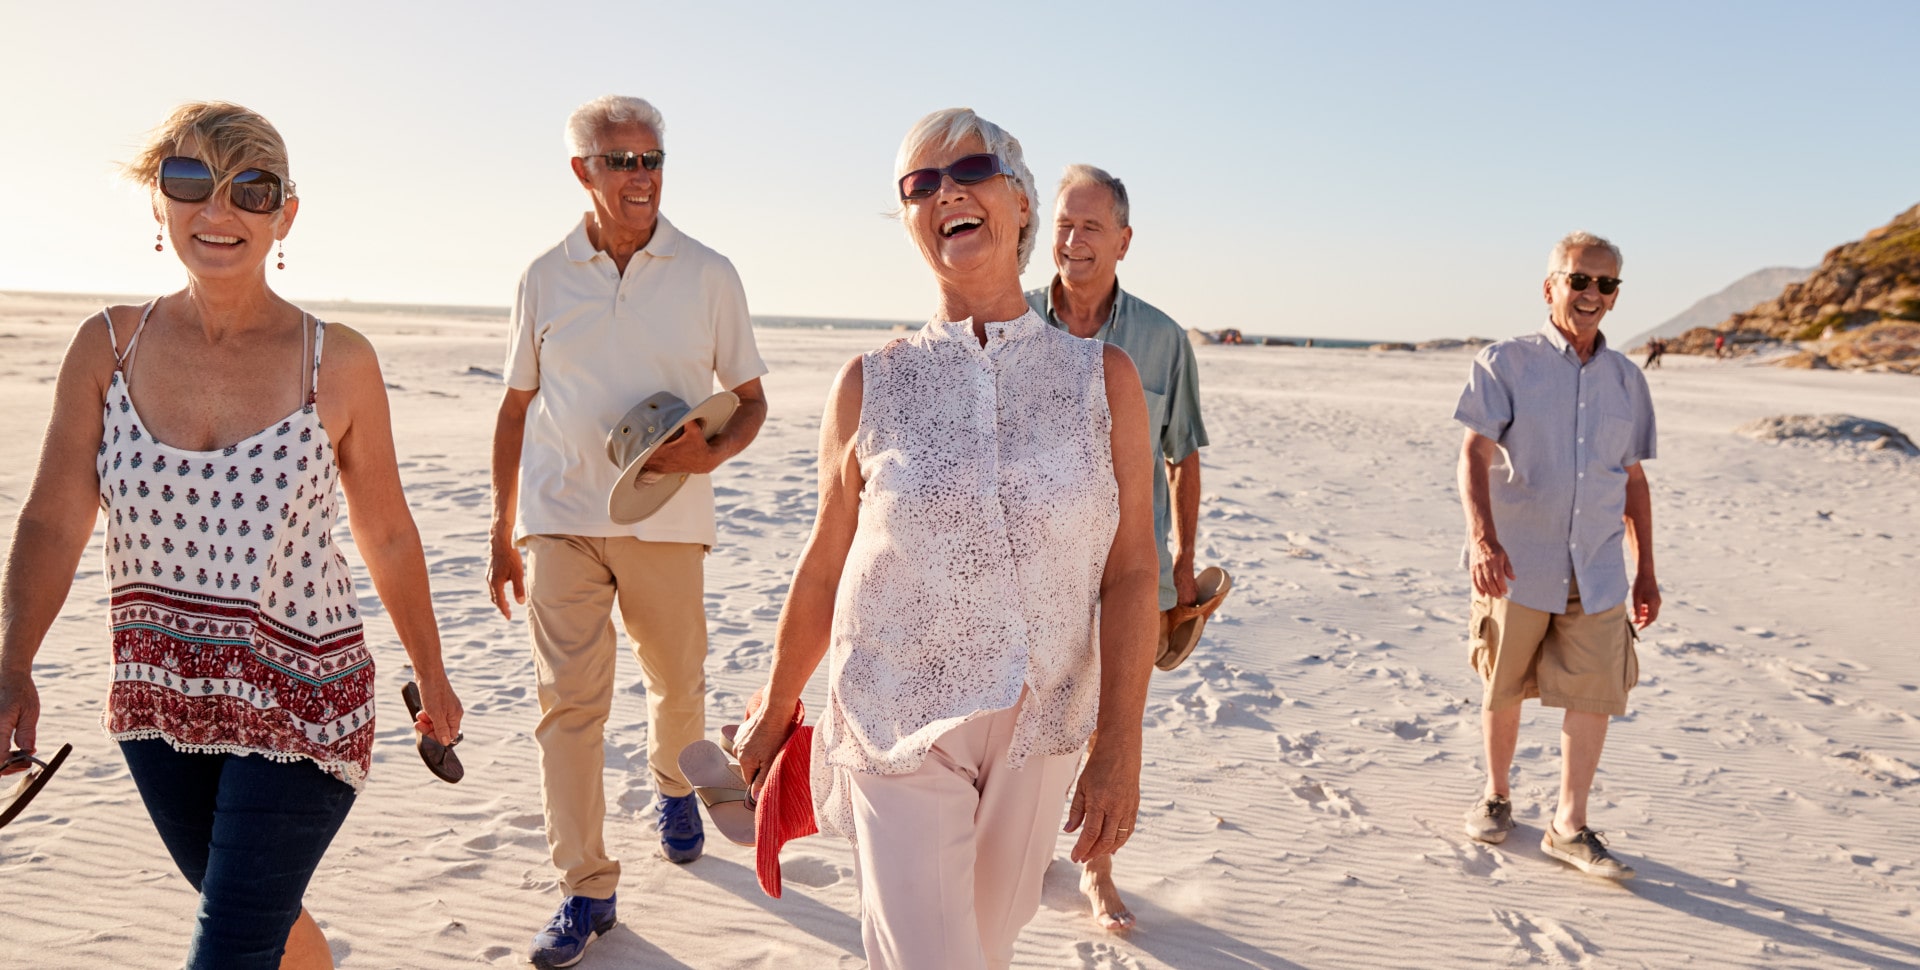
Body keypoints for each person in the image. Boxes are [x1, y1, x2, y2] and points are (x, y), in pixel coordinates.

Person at [0, 101, 464, 969]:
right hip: (157, 702)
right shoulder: (108, 347)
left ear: (286, 215)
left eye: (251, 191)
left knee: (230, 947)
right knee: (263, 923)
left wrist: (431, 671)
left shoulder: (339, 361)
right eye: (190, 183)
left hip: (302, 698)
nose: (217, 213)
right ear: (157, 202)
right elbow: (54, 515)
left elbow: (389, 534)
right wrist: (12, 662)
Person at [732, 108, 1159, 970]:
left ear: (1021, 201)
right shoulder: (869, 383)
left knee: (986, 950)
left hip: (1044, 721)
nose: (946, 194)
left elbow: (1132, 571)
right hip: (894, 714)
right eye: (919, 185)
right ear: (908, 221)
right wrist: (780, 701)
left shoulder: (1103, 381)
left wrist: (1120, 743)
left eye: (968, 171)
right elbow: (826, 561)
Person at [486, 94, 768, 969]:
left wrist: (706, 459)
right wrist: (502, 529)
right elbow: (514, 407)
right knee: (568, 707)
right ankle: (586, 889)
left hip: (668, 520)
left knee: (677, 681)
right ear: (583, 171)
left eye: (652, 160)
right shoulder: (544, 274)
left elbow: (750, 405)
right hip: (560, 520)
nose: (641, 177)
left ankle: (674, 784)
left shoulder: (709, 271)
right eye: (622, 161)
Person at [1025, 164, 1207, 931]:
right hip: (1028, 570)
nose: (1073, 241)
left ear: (1124, 241)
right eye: (1064, 225)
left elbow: (1184, 454)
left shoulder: (1162, 341)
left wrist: (1184, 563)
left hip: (1127, 577)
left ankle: (1097, 870)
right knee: (1024, 718)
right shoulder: (1012, 321)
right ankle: (1020, 849)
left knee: (1112, 726)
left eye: (1091, 227)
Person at [1454, 230, 1659, 880]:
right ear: (1551, 287)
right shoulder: (1504, 362)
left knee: (1595, 692)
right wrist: (1484, 538)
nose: (1592, 293)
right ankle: (1496, 792)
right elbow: (1473, 456)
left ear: (1616, 296)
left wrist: (1646, 568)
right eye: (1579, 280)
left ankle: (1569, 825)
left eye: (1606, 283)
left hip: (1598, 569)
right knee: (1503, 684)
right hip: (1517, 562)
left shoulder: (1628, 380)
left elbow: (1632, 481)